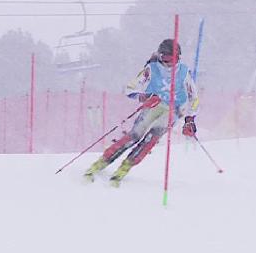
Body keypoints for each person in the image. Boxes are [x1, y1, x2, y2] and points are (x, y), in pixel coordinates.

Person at [84, 39, 199, 186]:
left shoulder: (183, 71)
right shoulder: (151, 69)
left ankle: (124, 168)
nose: (170, 64)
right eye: (166, 59)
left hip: (174, 109)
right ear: (160, 56)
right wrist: (144, 97)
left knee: (152, 137)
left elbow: (193, 97)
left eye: (174, 59)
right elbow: (130, 89)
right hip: (154, 104)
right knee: (134, 136)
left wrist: (190, 119)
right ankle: (101, 163)